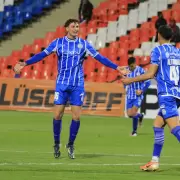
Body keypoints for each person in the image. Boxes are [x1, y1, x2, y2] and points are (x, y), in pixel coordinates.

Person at [14, 19, 127, 159]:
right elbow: (42, 55)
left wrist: (117, 67)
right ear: (66, 28)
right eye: (73, 26)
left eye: (77, 26)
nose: (76, 28)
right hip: (61, 84)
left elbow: (100, 58)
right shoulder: (58, 43)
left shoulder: (84, 44)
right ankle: (56, 143)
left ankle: (71, 144)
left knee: (77, 116)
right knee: (57, 115)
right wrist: (25, 63)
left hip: (77, 86)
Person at [122, 25, 180, 171]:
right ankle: (154, 161)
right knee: (157, 125)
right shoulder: (177, 51)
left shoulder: (158, 51)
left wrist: (130, 80)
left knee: (175, 129)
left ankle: (154, 161)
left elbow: (150, 74)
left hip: (166, 95)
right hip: (176, 94)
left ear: (159, 35)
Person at [125, 57, 150, 136]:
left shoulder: (141, 70)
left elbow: (148, 82)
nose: (131, 68)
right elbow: (124, 81)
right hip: (130, 95)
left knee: (133, 112)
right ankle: (140, 116)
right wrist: (125, 87)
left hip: (138, 96)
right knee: (129, 114)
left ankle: (134, 131)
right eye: (129, 66)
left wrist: (141, 90)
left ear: (135, 64)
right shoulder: (127, 70)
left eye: (132, 66)